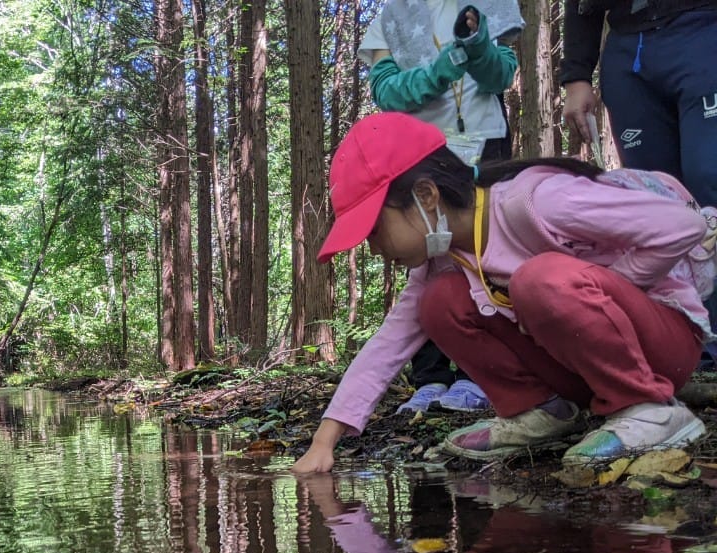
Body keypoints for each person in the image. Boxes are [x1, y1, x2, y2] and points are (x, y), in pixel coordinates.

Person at [293, 112, 713, 474]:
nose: (374, 249)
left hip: (661, 345)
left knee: (539, 279)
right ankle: (542, 411)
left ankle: (650, 409)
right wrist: (324, 442)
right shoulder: (446, 256)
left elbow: (682, 227)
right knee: (438, 301)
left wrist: (609, 287)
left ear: (425, 195)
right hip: (581, 368)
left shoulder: (537, 202)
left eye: (374, 230)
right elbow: (387, 346)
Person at [360, 0, 522, 414]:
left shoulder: (486, 5)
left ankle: (480, 375)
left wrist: (479, 46)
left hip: (484, 143)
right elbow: (386, 91)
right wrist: (436, 74)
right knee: (424, 256)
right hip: (418, 151)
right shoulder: (391, 16)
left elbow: (501, 74)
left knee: (486, 250)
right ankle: (430, 377)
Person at [560, 0, 717, 367]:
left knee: (708, 176)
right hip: (629, 47)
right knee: (653, 200)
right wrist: (576, 75)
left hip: (703, 28)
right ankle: (683, 343)